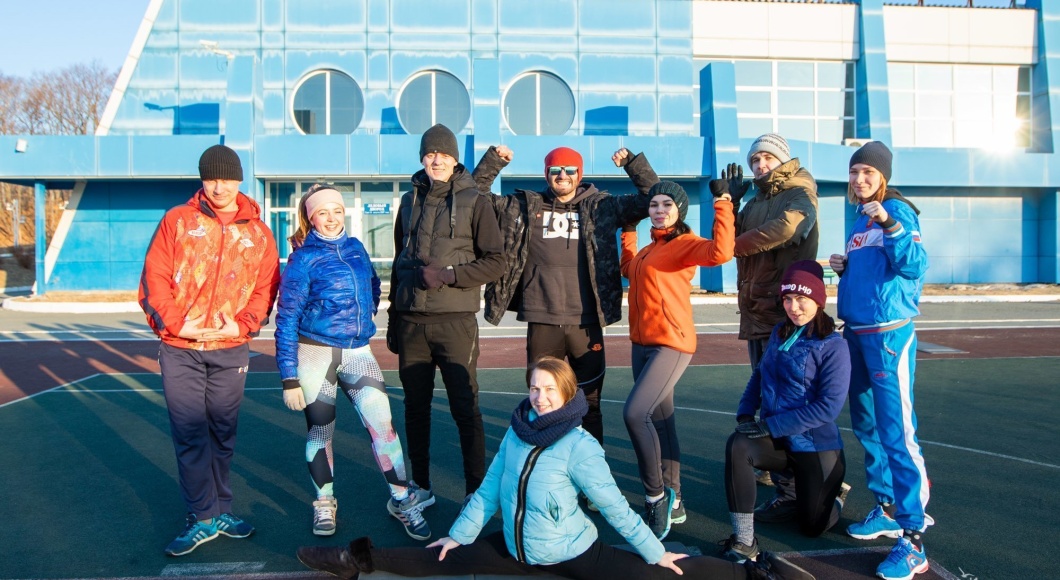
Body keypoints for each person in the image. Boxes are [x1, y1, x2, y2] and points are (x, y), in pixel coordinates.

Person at [295, 356, 814, 580]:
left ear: (566, 395)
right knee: (439, 556)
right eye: (534, 388)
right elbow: (490, 489)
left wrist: (654, 549)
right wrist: (460, 533)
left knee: (664, 572)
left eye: (549, 390)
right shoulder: (517, 431)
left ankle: (753, 572)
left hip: (574, 553)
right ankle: (352, 559)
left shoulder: (579, 446)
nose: (539, 397)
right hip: (516, 549)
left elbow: (614, 507)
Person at [138, 144, 280, 556]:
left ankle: (221, 511)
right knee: (190, 433)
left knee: (222, 433)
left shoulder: (258, 231)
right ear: (202, 180)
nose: (219, 187)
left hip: (231, 348)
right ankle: (201, 517)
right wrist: (177, 324)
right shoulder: (177, 220)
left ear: (239, 179)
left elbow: (266, 287)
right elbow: (154, 277)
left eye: (227, 178)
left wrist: (244, 324)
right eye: (211, 178)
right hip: (180, 347)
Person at [472, 144, 657, 452]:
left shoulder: (603, 206)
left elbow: (654, 197)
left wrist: (633, 164)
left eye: (570, 170)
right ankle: (546, 464)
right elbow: (474, 198)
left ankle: (590, 465)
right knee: (544, 400)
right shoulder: (523, 206)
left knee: (590, 404)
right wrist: (493, 162)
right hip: (542, 318)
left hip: (586, 321)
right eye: (555, 170)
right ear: (546, 174)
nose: (562, 176)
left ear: (579, 174)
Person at [274, 184, 431, 541]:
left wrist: (363, 317)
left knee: (383, 427)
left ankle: (402, 500)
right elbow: (286, 319)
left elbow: (373, 286)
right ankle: (324, 502)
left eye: (336, 211)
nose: (331, 218)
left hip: (358, 352)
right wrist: (289, 378)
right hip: (315, 353)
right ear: (311, 218)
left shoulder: (357, 247)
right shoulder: (303, 259)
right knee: (320, 431)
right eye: (322, 212)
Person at [386, 124, 506, 506]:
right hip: (411, 324)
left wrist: (449, 275)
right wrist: (393, 317)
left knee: (464, 410)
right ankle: (420, 486)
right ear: (422, 158)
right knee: (415, 410)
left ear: (455, 159)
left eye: (444, 154)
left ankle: (476, 492)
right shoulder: (408, 200)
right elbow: (400, 261)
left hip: (455, 323)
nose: (436, 160)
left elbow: (497, 261)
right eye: (430, 153)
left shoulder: (475, 200)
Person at [830, 142, 931, 580]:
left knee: (897, 433)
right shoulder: (859, 218)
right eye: (854, 172)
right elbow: (876, 274)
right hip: (856, 333)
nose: (859, 179)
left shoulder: (898, 211)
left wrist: (890, 222)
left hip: (889, 336)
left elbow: (915, 265)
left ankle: (913, 538)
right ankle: (887, 507)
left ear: (883, 176)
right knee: (867, 426)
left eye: (868, 172)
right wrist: (845, 270)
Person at [619, 180, 735, 538]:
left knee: (635, 414)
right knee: (662, 422)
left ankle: (655, 497)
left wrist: (723, 203)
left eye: (667, 204)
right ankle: (675, 498)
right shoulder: (649, 249)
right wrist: (628, 231)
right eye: (654, 204)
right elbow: (629, 270)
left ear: (679, 210)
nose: (659, 210)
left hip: (671, 344)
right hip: (642, 345)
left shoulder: (684, 244)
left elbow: (721, 253)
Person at [713, 133, 820, 518]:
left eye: (767, 158)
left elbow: (788, 229)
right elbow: (724, 235)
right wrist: (730, 202)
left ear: (782, 159)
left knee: (787, 397)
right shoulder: (756, 200)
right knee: (764, 389)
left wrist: (734, 246)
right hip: (756, 307)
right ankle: (776, 464)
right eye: (755, 160)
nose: (760, 165)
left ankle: (807, 480)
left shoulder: (799, 191)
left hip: (785, 308)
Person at [720, 260, 850, 562]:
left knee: (812, 527)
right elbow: (760, 374)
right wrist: (745, 412)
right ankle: (744, 540)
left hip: (814, 445)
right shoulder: (780, 331)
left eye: (802, 298)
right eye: (788, 299)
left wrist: (771, 426)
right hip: (780, 441)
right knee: (738, 445)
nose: (793, 307)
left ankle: (836, 495)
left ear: (818, 300)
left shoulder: (833, 346)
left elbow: (828, 408)